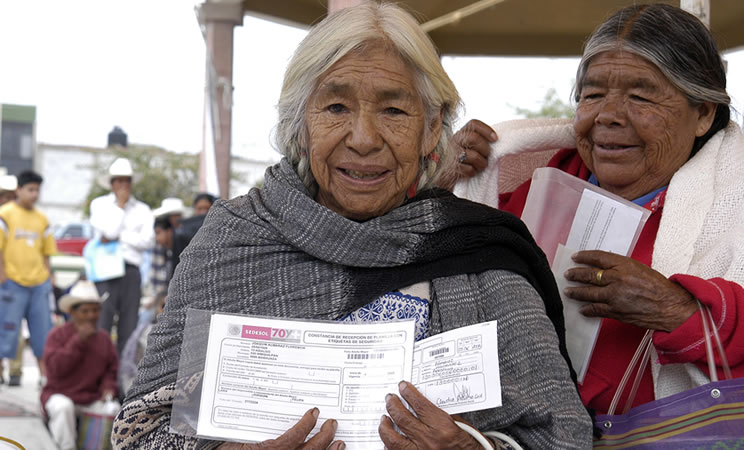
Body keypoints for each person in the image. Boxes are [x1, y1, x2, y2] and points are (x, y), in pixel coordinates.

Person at [111, 3, 591, 449]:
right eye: (336, 107)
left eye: (394, 110)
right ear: (300, 124)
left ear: (431, 128)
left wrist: (475, 447)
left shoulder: (481, 254)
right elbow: (140, 432)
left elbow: (561, 435)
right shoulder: (232, 243)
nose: (363, 139)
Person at [453, 3, 744, 416]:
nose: (607, 116)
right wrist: (444, 174)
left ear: (702, 113)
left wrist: (676, 310)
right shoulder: (537, 193)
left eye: (641, 97)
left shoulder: (733, 207)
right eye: (592, 95)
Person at [42, 279, 119, 450]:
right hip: (60, 394)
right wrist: (78, 341)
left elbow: (111, 371)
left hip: (91, 397)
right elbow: (55, 370)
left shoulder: (104, 339)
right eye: (85, 311)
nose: (91, 316)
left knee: (113, 409)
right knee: (63, 407)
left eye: (95, 311)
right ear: (72, 312)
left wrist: (108, 388)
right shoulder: (57, 335)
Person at [89, 157, 154, 354]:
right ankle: (100, 372)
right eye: (119, 180)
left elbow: (147, 242)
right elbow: (107, 233)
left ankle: (121, 374)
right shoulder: (99, 205)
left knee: (129, 324)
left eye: (126, 180)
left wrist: (119, 236)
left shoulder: (143, 210)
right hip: (106, 270)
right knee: (103, 323)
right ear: (112, 183)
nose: (123, 185)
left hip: (131, 270)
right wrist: (119, 207)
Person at [0, 170, 55, 387]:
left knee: (42, 332)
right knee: (7, 329)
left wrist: (48, 278)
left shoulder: (42, 219)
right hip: (12, 283)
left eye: (37, 190)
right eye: (30, 189)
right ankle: (2, 370)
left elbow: (47, 252)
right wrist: (2, 276)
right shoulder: (5, 214)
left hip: (38, 284)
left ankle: (45, 376)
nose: (34, 194)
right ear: (19, 190)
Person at [149, 197, 184, 294]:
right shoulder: (159, 247)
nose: (177, 220)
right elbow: (157, 278)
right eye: (173, 217)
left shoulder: (185, 242)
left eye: (178, 216)